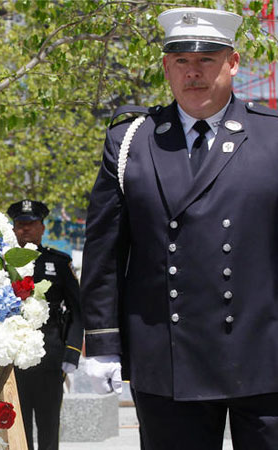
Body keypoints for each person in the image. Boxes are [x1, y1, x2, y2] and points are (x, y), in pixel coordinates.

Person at [80, 7, 278, 449]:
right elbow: (105, 251)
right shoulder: (132, 140)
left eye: (207, 59)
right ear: (167, 66)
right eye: (182, 61)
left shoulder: (272, 138)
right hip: (168, 356)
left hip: (264, 353)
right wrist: (103, 342)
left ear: (233, 62)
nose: (194, 73)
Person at [7, 200, 83, 450]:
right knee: (17, 426)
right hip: (12, 359)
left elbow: (77, 311)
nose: (25, 229)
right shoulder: (1, 262)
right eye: (20, 224)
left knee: (49, 425)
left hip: (50, 357)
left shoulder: (58, 263)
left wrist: (71, 353)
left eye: (31, 224)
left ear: (42, 227)